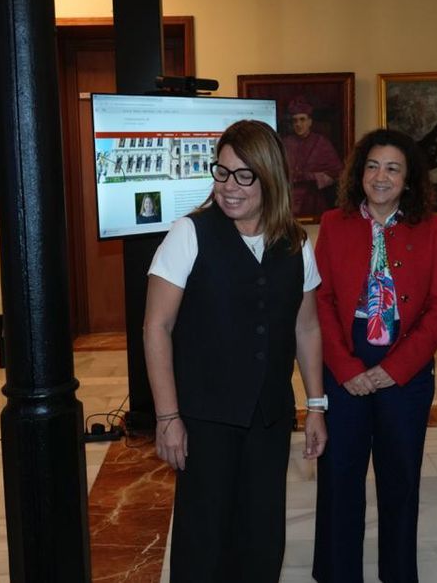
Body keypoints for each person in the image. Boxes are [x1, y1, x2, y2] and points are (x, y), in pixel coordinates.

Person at [143, 119, 328, 582]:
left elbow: (306, 328)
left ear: (269, 178)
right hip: (205, 417)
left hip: (269, 416)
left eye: (244, 175)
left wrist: (317, 406)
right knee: (203, 538)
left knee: (262, 535)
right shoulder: (189, 234)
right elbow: (156, 327)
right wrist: (168, 418)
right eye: (222, 172)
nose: (229, 187)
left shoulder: (297, 244)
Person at [312, 129, 437, 583]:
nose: (381, 176)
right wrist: (346, 368)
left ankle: (398, 573)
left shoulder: (431, 227)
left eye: (393, 168)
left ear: (409, 179)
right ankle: (338, 572)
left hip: (404, 365)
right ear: (359, 172)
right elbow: (321, 301)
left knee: (400, 481)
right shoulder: (334, 223)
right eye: (372, 166)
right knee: (339, 478)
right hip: (346, 358)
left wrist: (394, 369)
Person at [283, 97, 344, 217]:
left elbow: (337, 172)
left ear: (310, 122)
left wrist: (310, 176)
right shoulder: (285, 143)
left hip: (313, 199)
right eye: (295, 121)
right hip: (288, 200)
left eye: (302, 119)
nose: (298, 124)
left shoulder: (322, 143)